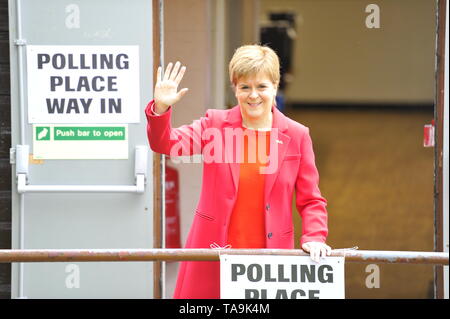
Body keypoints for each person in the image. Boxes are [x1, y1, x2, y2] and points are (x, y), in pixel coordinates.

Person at [145, 44, 331, 299]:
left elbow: (311, 200)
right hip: (212, 254)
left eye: (261, 87)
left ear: (275, 86)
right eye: (245, 87)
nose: (253, 95)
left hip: (269, 259)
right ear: (235, 88)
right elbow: (166, 144)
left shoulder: (297, 135)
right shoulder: (215, 124)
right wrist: (161, 109)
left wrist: (315, 236)